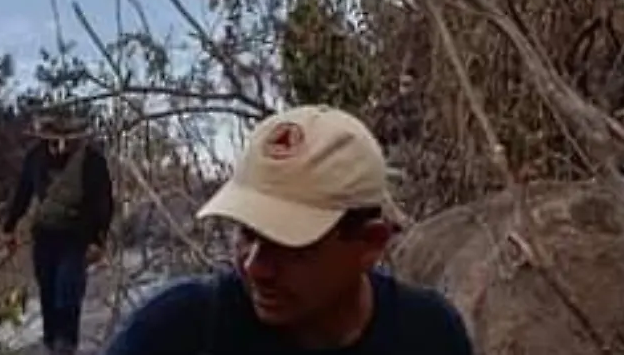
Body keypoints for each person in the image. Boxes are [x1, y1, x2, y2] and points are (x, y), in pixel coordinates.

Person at [102, 105, 472, 354]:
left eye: (289, 245)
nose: (256, 267)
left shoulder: (428, 334)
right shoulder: (178, 332)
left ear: (370, 243)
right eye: (247, 233)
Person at [3, 113, 116, 355]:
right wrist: (9, 227)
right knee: (47, 290)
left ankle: (67, 343)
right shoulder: (35, 158)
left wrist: (98, 239)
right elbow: (23, 193)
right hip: (45, 234)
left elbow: (103, 202)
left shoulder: (92, 161)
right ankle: (51, 341)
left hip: (76, 234)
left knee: (68, 288)